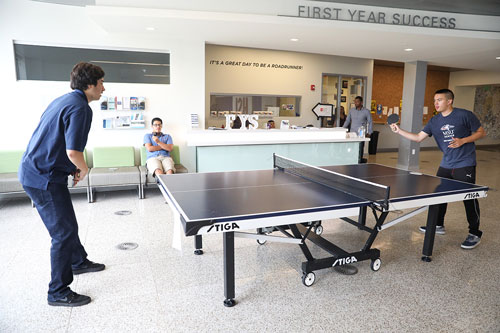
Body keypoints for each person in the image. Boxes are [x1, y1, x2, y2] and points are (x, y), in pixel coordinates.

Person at [19, 62, 106, 307]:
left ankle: (78, 262)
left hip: (38, 171)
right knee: (63, 232)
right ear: (89, 84)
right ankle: (57, 291)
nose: (103, 88)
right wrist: (83, 168)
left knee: (68, 224)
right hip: (43, 178)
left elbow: (54, 141)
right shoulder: (80, 108)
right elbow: (72, 150)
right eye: (100, 83)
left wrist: (71, 168)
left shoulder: (64, 100)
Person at [390, 88, 486, 249]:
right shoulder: (434, 121)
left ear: (449, 101)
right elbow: (418, 138)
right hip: (446, 164)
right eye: (435, 100)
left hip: (465, 163)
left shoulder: (464, 115)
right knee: (439, 195)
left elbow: (481, 132)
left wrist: (463, 141)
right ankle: (438, 225)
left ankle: (475, 233)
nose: (436, 103)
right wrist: (399, 130)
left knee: (468, 197)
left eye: (439, 100)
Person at [343, 96, 373, 163]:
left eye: (357, 102)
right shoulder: (351, 111)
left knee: (360, 147)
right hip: (352, 133)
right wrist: (342, 129)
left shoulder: (366, 111)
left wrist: (370, 132)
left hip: (361, 133)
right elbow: (347, 121)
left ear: (361, 102)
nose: (356, 103)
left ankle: (359, 160)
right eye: (355, 102)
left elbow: (370, 122)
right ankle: (351, 159)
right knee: (352, 147)